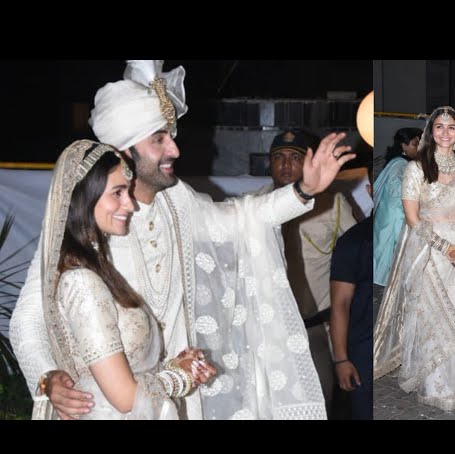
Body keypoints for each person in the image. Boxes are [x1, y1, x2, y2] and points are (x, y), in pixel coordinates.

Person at [10, 60, 355, 420]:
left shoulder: (177, 200)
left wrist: (303, 190)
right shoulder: (83, 224)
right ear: (124, 150)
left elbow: (242, 218)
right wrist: (47, 378)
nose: (174, 150)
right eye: (159, 139)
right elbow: (28, 318)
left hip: (177, 404)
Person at [37, 140, 216, 419]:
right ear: (85, 196)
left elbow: (128, 369)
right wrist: (181, 377)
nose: (130, 205)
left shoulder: (99, 270)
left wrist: (176, 364)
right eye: (117, 193)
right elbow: (124, 398)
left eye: (128, 193)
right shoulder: (82, 281)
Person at [374, 106, 455, 412]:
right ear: (430, 132)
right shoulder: (416, 168)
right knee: (434, 320)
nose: (445, 132)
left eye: (451, 127)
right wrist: (442, 245)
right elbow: (412, 218)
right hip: (429, 251)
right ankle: (437, 387)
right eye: (439, 127)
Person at [253, 129, 357, 418]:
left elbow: (354, 264)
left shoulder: (333, 205)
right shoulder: (253, 206)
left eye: (295, 157)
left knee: (317, 406)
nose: (286, 165)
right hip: (268, 333)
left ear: (310, 162)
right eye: (279, 157)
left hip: (316, 332)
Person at [329, 167, 373, 420]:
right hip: (364, 348)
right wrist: (341, 359)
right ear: (371, 191)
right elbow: (340, 303)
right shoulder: (355, 241)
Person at [373, 128, 422, 286]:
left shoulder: (403, 162)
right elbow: (396, 189)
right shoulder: (400, 164)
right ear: (404, 146)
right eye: (415, 144)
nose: (419, 147)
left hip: (395, 214)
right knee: (392, 254)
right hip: (395, 217)